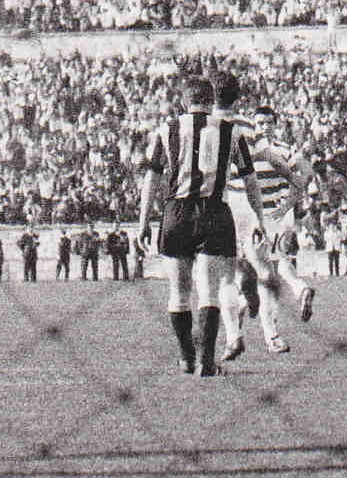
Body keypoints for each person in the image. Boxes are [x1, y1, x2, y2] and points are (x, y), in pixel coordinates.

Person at [136, 75, 262, 377]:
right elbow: (250, 180)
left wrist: (143, 223)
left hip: (176, 212)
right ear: (212, 101)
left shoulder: (167, 130)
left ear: (183, 101)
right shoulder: (231, 133)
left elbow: (151, 179)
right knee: (209, 291)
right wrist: (258, 218)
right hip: (214, 212)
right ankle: (206, 360)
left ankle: (187, 358)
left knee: (178, 293)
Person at [212, 83, 317, 359]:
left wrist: (290, 202)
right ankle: (265, 315)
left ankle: (261, 333)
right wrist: (296, 186)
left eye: (268, 122)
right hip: (242, 210)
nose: (264, 126)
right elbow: (296, 173)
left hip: (262, 216)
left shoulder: (274, 146)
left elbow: (304, 171)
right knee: (250, 274)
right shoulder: (247, 133)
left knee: (260, 271)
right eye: (261, 122)